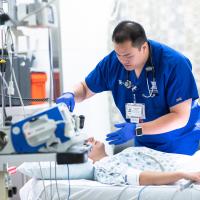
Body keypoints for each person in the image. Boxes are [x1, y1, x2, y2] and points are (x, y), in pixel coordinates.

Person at [56, 20, 200, 155]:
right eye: (118, 54)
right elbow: (85, 88)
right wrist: (71, 94)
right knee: (142, 179)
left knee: (175, 179)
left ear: (143, 47)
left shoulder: (174, 64)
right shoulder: (114, 61)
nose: (122, 60)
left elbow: (180, 117)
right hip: (143, 141)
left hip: (179, 142)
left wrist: (137, 129)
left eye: (128, 55)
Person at [86, 137, 200, 186]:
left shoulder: (113, 159)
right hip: (189, 171)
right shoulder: (103, 168)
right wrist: (182, 174)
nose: (90, 138)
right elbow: (140, 178)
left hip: (191, 162)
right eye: (84, 143)